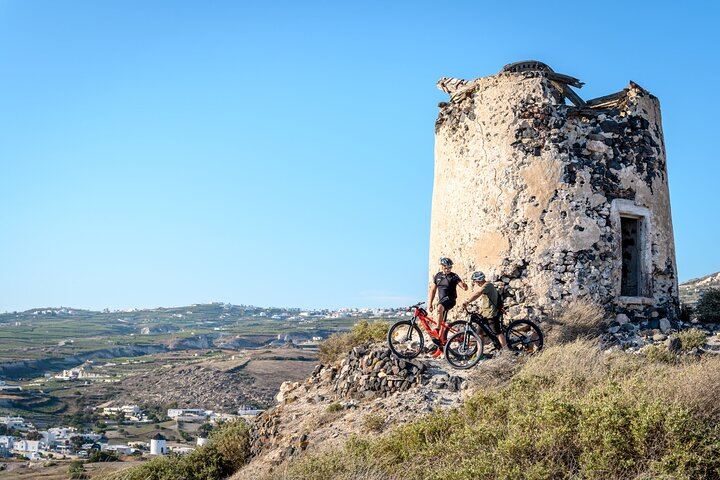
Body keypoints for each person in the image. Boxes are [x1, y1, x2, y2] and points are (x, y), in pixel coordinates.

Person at [428, 258, 467, 356]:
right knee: (442, 323)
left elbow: (463, 287)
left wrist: (464, 284)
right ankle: (440, 349)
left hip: (450, 300)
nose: (448, 269)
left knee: (440, 307)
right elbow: (433, 290)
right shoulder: (438, 276)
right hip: (442, 301)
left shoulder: (454, 276)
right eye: (446, 267)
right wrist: (429, 303)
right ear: (442, 266)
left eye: (450, 267)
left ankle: (436, 330)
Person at [462, 271, 507, 349]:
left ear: (478, 280)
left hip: (491, 313)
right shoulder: (486, 286)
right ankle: (479, 353)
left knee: (497, 332)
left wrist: (467, 301)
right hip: (485, 314)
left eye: (476, 281)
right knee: (479, 333)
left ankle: (507, 351)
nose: (476, 283)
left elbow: (477, 293)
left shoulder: (487, 285)